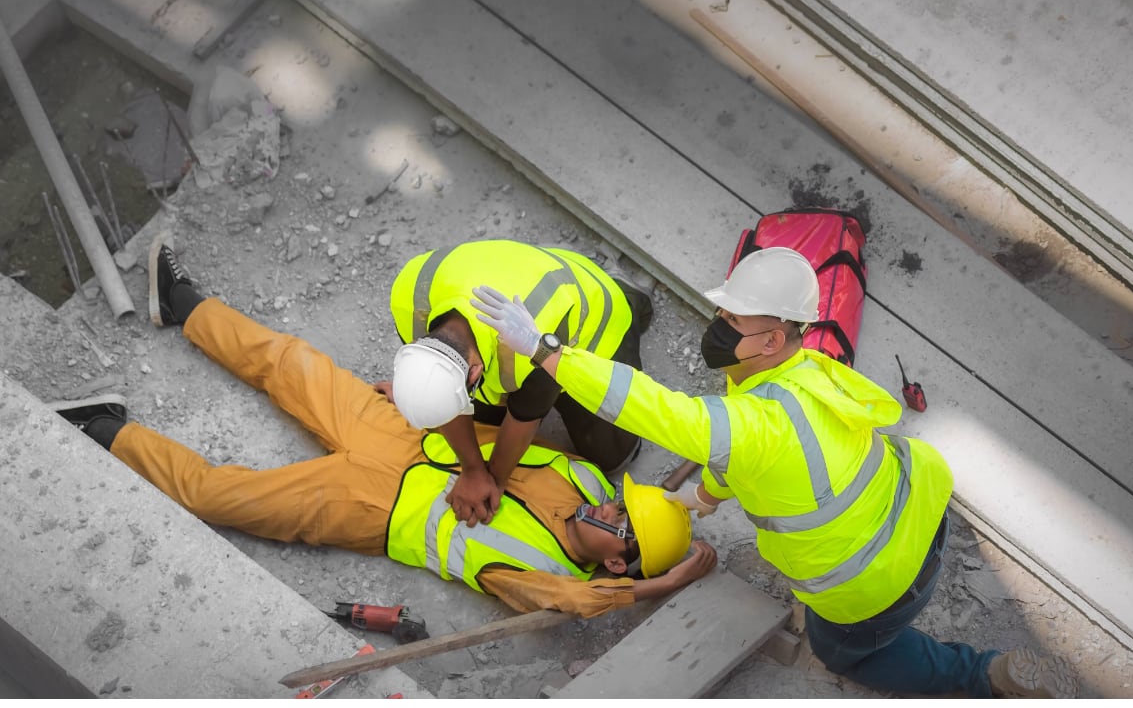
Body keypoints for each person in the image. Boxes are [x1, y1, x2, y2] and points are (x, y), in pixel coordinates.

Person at [470, 246, 1079, 698]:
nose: (719, 326)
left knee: (846, 651)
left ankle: (986, 676)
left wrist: (547, 352)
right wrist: (705, 497)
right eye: (724, 312)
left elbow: (657, 410)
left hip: (875, 583)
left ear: (772, 337)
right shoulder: (805, 373)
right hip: (921, 516)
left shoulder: (753, 420)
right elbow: (755, 455)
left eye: (733, 321)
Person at [51, 233, 716, 620]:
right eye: (624, 503)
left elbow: (588, 601)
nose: (611, 502)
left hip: (376, 507)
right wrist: (416, 405)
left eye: (620, 520)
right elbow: (501, 427)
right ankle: (181, 304)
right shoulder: (584, 476)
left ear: (616, 561)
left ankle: (105, 431)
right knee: (290, 363)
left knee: (223, 498)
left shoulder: (547, 574)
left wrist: (668, 581)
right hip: (403, 434)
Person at [385, 239, 653, 528]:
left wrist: (494, 480)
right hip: (524, 279)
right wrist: (473, 470)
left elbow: (525, 416)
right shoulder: (410, 296)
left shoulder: (535, 335)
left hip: (589, 325)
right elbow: (445, 385)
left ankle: (628, 294)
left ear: (474, 374)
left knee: (612, 455)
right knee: (480, 419)